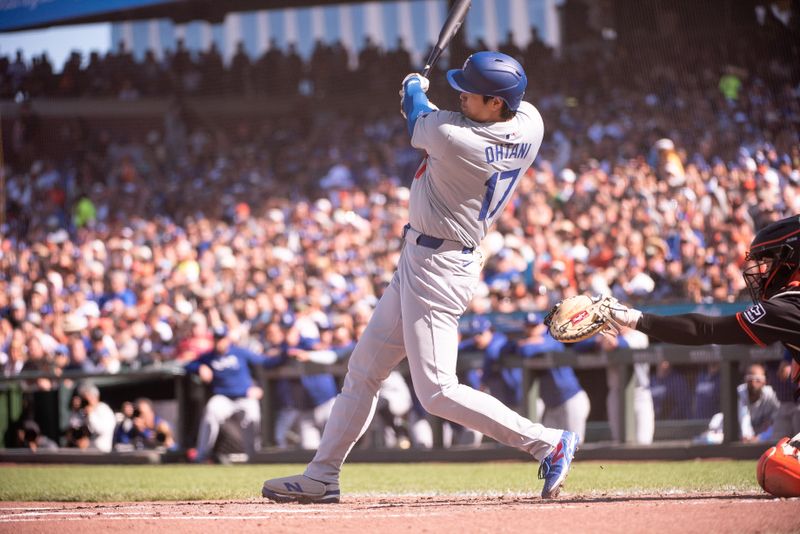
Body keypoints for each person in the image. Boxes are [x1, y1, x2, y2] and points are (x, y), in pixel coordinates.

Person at [262, 51, 577, 504]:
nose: (462, 95)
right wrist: (423, 94)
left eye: (471, 92)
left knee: (436, 390)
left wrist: (413, 84)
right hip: (426, 256)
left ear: (495, 104)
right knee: (364, 369)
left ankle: (548, 442)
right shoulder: (530, 121)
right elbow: (441, 111)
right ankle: (322, 475)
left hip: (440, 266)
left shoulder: (452, 137)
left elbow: (416, 113)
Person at [603, 214, 800, 432]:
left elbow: (705, 329)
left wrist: (632, 318)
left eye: (769, 261)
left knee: (776, 464)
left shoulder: (788, 306)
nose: (761, 271)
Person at [185, 325, 286, 462]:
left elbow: (265, 362)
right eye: (216, 339)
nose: (219, 342)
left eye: (222, 338)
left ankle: (254, 457)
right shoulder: (208, 357)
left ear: (227, 339)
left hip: (245, 396)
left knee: (252, 417)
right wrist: (199, 367)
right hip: (223, 397)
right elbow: (187, 365)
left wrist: (285, 352)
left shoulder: (240, 352)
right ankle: (202, 455)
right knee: (211, 411)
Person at [516, 312, 591, 445]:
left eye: (535, 326)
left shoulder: (552, 338)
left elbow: (529, 349)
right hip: (552, 405)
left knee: (574, 444)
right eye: (529, 326)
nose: (532, 329)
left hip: (571, 399)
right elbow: (520, 350)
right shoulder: (526, 341)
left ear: (543, 326)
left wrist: (527, 343)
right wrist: (527, 343)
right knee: (549, 445)